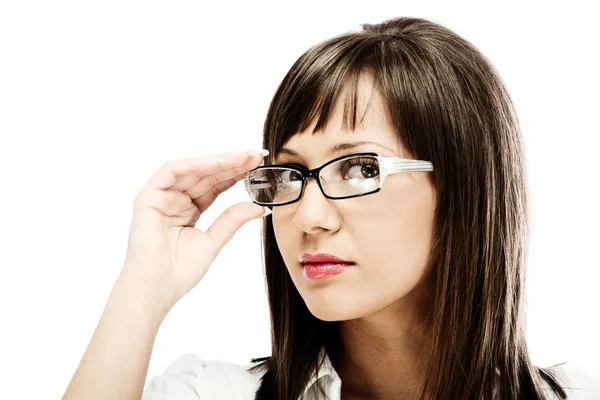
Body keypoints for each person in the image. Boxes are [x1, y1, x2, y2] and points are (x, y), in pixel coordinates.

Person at [63, 16, 599, 400]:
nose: (310, 217)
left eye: (361, 168)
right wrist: (143, 288)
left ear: (465, 186)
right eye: (292, 173)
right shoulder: (209, 391)